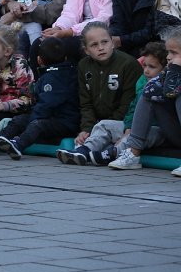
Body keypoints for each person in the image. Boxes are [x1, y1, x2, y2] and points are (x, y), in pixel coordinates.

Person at [59, 40, 165, 166]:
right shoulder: (142, 81)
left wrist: (131, 131)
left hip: (157, 130)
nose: (146, 71)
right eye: (145, 65)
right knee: (104, 125)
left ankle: (113, 154)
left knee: (142, 134)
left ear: (165, 69)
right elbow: (133, 107)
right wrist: (128, 127)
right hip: (133, 127)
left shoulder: (166, 85)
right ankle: (85, 150)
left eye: (152, 67)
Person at [0, 36, 79, 159]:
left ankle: (18, 145)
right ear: (65, 58)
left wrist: (31, 120)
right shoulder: (59, 72)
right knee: (20, 119)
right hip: (51, 117)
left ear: (39, 60)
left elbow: (46, 105)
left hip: (65, 122)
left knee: (36, 124)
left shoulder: (52, 79)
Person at [109, 28, 181, 173]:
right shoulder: (171, 69)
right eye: (168, 52)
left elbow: (172, 91)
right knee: (150, 90)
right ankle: (133, 153)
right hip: (175, 133)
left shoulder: (174, 70)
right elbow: (158, 90)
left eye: (174, 53)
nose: (168, 57)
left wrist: (176, 70)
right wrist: (174, 69)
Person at [72, 21, 142, 158]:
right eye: (94, 45)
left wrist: (99, 129)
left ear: (112, 42)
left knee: (104, 136)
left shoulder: (128, 64)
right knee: (82, 139)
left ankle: (95, 151)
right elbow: (86, 103)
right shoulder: (83, 66)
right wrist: (86, 130)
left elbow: (128, 104)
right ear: (86, 50)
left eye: (105, 42)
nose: (101, 48)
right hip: (97, 126)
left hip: (123, 124)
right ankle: (84, 151)